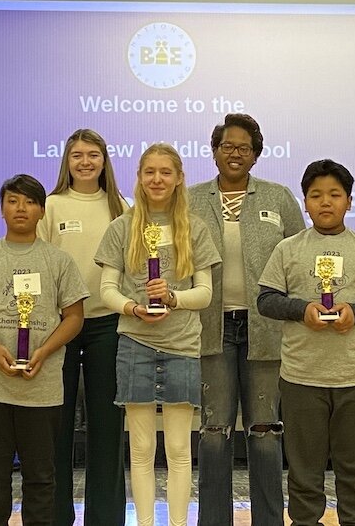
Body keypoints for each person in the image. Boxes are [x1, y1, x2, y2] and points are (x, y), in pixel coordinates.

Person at [257, 159, 355, 526]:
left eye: (335, 195)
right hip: (302, 378)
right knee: (304, 475)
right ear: (304, 202)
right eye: (316, 195)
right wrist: (300, 309)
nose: (325, 202)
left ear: (350, 201)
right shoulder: (288, 249)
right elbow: (266, 300)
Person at [0, 174, 89, 526]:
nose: (20, 208)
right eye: (13, 201)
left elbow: (74, 317)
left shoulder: (58, 261)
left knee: (41, 477)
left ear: (42, 210)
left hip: (41, 389)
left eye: (28, 201)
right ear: (2, 209)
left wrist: (44, 351)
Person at [94, 143, 220, 526]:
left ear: (180, 178)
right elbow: (106, 290)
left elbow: (205, 294)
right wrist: (133, 308)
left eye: (166, 172)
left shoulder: (195, 228)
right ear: (139, 178)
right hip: (135, 344)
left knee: (181, 449)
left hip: (182, 346)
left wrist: (172, 297)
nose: (157, 179)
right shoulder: (122, 228)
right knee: (142, 449)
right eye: (149, 172)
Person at [189, 113, 305, 526]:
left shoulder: (278, 198)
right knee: (215, 433)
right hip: (210, 329)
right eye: (227, 146)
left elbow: (302, 256)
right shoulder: (190, 200)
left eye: (244, 147)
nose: (235, 154)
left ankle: (270, 521)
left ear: (256, 154)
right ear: (214, 151)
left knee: (265, 433)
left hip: (265, 330)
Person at [36, 129, 128, 526]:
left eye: (93, 155)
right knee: (55, 425)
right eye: (77, 155)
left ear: (105, 161)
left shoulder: (121, 206)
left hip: (109, 324)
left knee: (108, 426)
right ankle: (55, 516)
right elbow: (39, 264)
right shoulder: (51, 206)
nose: (85, 162)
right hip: (60, 325)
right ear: (67, 162)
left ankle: (105, 518)